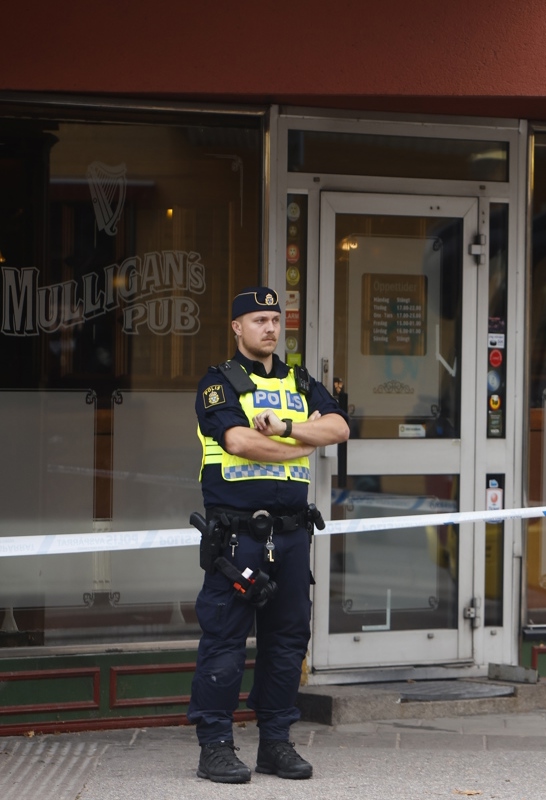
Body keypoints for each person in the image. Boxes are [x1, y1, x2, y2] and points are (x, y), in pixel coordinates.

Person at [188, 286, 350, 783]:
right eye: (258, 320)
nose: (270, 328)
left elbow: (341, 428)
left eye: (275, 320)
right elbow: (237, 441)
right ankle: (215, 746)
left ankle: (275, 744)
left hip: (292, 536)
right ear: (237, 327)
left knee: (287, 642)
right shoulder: (218, 383)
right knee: (224, 641)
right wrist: (303, 438)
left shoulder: (301, 380)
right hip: (238, 537)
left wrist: (283, 426)